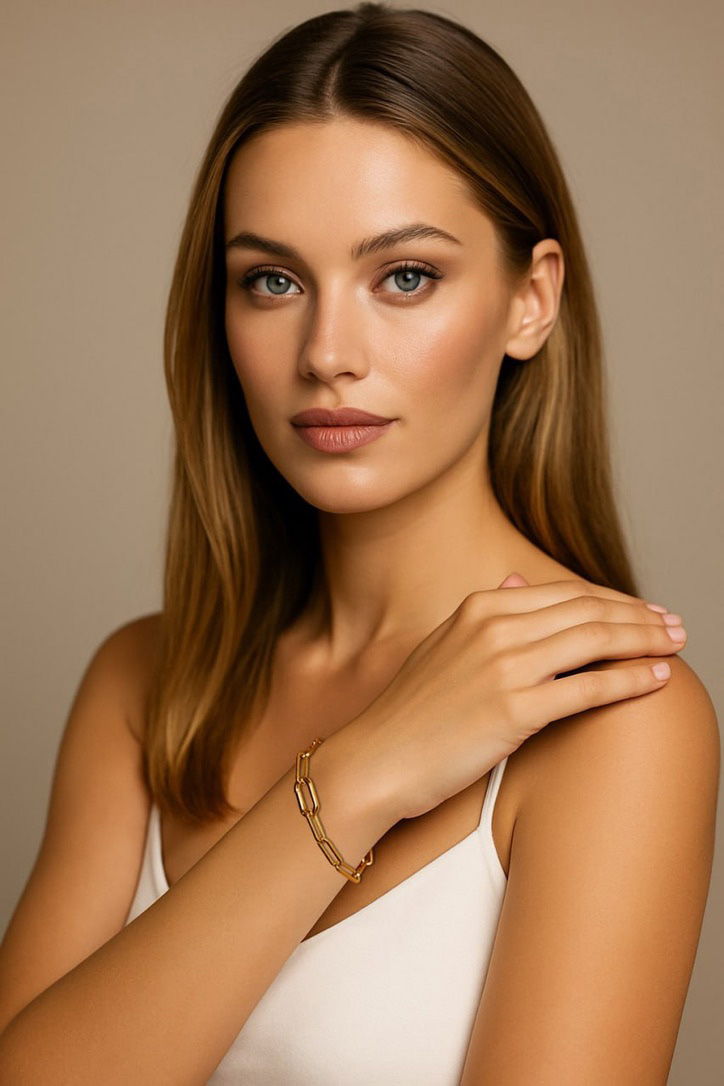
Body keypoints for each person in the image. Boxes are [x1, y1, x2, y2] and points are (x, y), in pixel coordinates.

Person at [0, 3, 718, 1083]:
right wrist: (361, 772)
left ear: (530, 302)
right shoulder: (142, 684)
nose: (326, 353)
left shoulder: (614, 715)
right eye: (272, 281)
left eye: (405, 277)